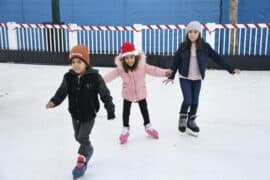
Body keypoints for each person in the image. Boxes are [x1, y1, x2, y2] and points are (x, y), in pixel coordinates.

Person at [46, 45, 115, 178]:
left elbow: (105, 94)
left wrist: (110, 108)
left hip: (89, 114)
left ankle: (81, 161)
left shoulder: (95, 77)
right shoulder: (68, 77)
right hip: (75, 113)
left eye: (79, 62)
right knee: (77, 137)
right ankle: (88, 148)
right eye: (73, 62)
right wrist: (54, 101)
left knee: (83, 137)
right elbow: (62, 91)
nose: (76, 65)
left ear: (86, 63)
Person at [163, 21, 240, 136]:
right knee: (188, 99)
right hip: (185, 77)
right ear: (187, 33)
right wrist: (172, 75)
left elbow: (217, 58)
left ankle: (191, 121)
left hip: (197, 78)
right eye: (190, 32)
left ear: (199, 33)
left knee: (195, 101)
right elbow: (176, 61)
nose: (192, 34)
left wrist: (231, 68)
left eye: (195, 32)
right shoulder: (183, 46)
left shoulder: (205, 47)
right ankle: (183, 119)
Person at [103, 42, 171, 144]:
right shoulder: (121, 69)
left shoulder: (142, 66)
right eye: (127, 58)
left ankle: (148, 126)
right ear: (123, 59)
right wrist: (99, 81)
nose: (129, 60)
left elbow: (154, 70)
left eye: (131, 57)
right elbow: (110, 76)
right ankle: (125, 128)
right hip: (128, 94)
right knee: (126, 112)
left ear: (135, 57)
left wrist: (166, 72)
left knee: (144, 110)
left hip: (141, 92)